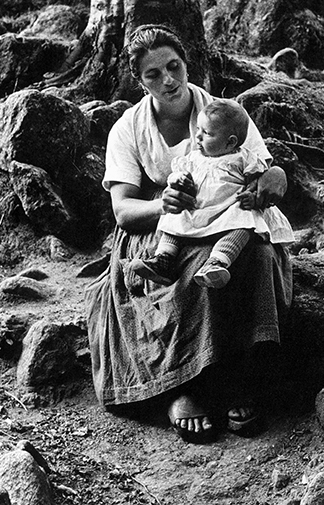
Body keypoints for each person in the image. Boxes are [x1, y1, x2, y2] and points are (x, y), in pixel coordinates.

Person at [85, 24, 293, 444]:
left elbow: (263, 168)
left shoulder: (224, 112)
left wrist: (274, 180)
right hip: (165, 225)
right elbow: (124, 210)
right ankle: (187, 385)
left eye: (174, 66)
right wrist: (164, 204)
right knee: (187, 268)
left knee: (257, 255)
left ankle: (243, 378)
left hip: (229, 216)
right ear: (139, 81)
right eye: (153, 74)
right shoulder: (129, 129)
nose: (168, 80)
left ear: (186, 62)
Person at [130, 98, 294, 288]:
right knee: (175, 214)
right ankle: (163, 259)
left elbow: (256, 181)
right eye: (198, 130)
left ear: (229, 142)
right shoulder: (193, 159)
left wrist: (252, 196)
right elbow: (177, 174)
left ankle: (217, 262)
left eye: (206, 133)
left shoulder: (242, 158)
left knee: (244, 219)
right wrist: (178, 180)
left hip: (226, 208)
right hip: (197, 207)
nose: (197, 137)